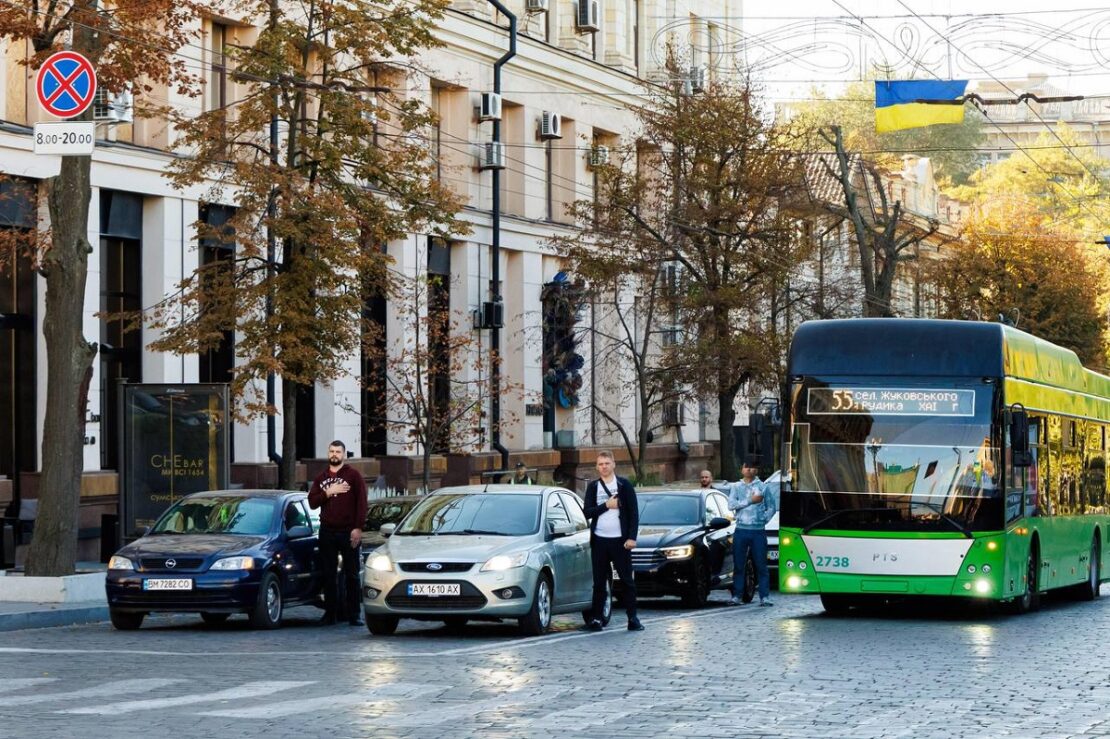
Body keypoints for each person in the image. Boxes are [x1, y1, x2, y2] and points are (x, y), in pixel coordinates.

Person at [308, 440, 368, 626]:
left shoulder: (353, 476)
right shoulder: (321, 478)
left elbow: (362, 503)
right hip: (327, 531)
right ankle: (330, 613)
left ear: (344, 455)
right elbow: (312, 502)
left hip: (347, 531)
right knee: (329, 574)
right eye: (332, 451)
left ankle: (354, 614)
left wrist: (357, 528)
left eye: (338, 451)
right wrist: (329, 492)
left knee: (351, 574)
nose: (334, 454)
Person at [582, 450, 643, 632]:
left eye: (607, 463)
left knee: (626, 581)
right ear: (596, 467)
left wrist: (632, 537)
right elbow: (587, 512)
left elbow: (633, 513)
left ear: (614, 464)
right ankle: (596, 619)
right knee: (599, 582)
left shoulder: (624, 485)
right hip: (600, 540)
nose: (604, 467)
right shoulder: (593, 487)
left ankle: (633, 618)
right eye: (600, 464)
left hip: (620, 541)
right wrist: (605, 506)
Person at [728, 457, 777, 607]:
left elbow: (772, 507)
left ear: (757, 470)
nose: (750, 470)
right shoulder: (736, 487)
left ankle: (764, 596)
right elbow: (731, 505)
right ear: (742, 469)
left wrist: (763, 519)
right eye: (747, 467)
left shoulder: (763, 487)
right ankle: (737, 595)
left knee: (761, 564)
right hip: (741, 529)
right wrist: (750, 501)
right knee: (739, 564)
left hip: (758, 531)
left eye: (753, 467)